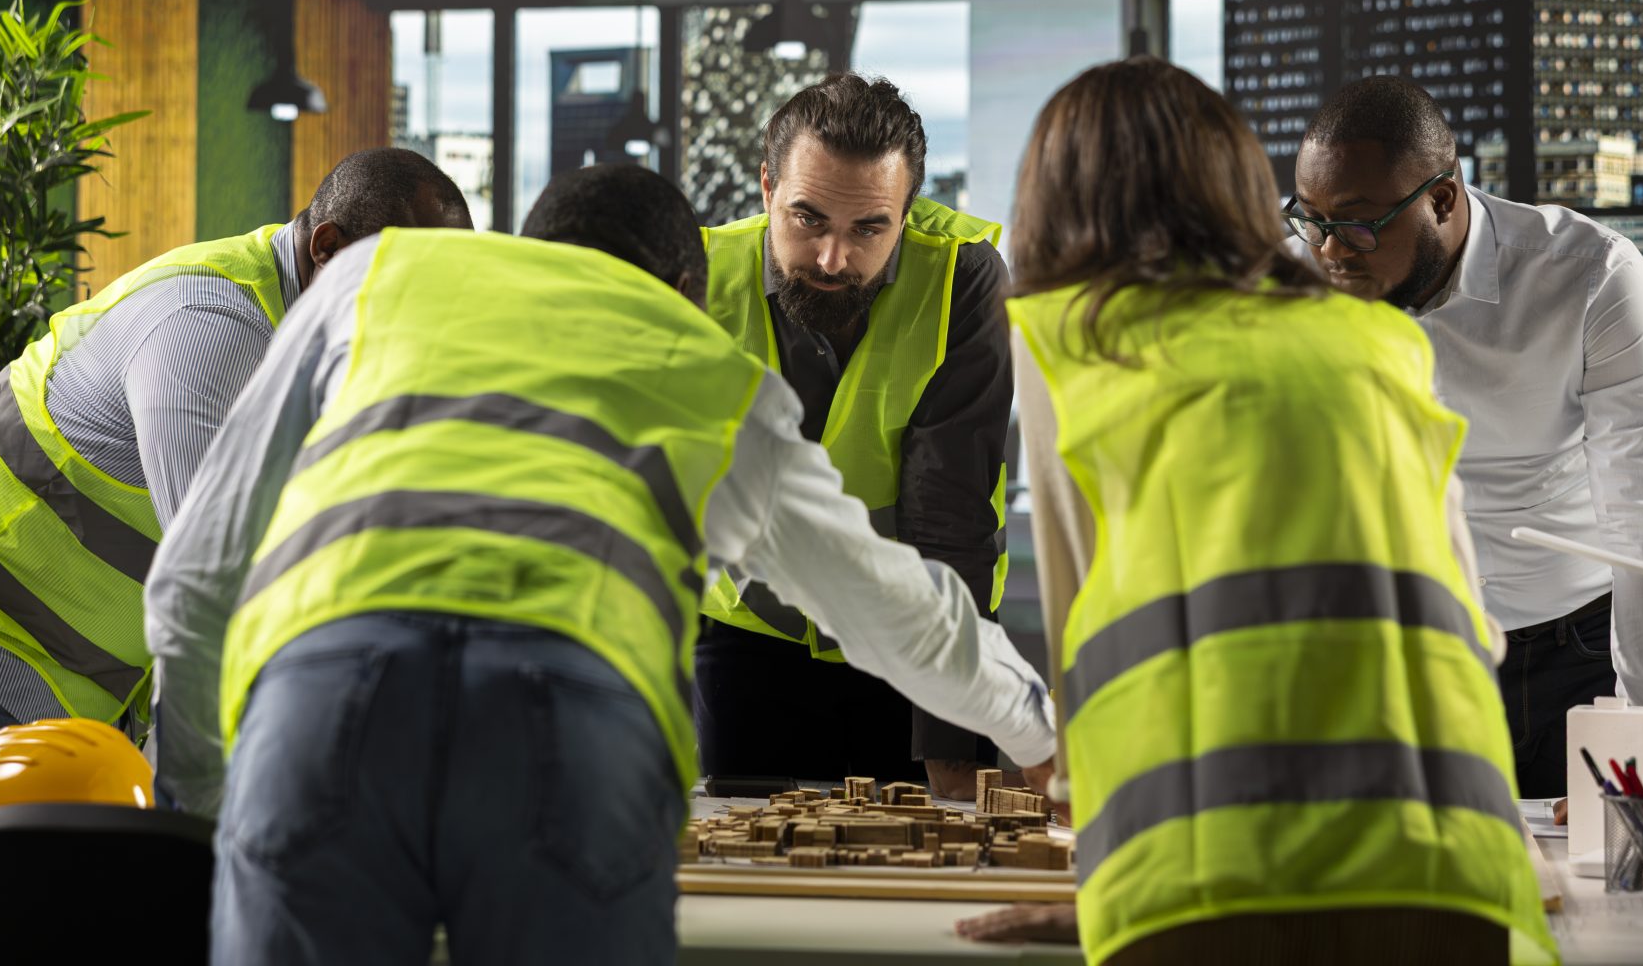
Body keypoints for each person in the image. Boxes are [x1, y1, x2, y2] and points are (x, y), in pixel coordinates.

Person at [143, 163, 1055, 966]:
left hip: (317, 705)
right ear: (686, 290)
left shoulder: (369, 279)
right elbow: (892, 609)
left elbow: (195, 581)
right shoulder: (706, 368)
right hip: (570, 722)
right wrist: (1039, 739)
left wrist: (204, 809)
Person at [962, 58, 1550, 965]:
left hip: (1208, 861)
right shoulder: (1378, 340)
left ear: (1055, 197)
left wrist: (1109, 874)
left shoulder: (1069, 339)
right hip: (1449, 856)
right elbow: (1473, 622)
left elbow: (1079, 618)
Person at [0, 147, 470, 852]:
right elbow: (230, 584)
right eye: (409, 287)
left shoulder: (317, 342)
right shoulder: (209, 328)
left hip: (72, 670)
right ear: (328, 248)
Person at [1287, 76, 1643, 797]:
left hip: (1578, 648)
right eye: (1310, 219)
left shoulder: (1591, 278)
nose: (1329, 251)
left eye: (1355, 223)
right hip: (1408, 644)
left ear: (1443, 199)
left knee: (1599, 881)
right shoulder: (1300, 277)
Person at [696, 73, 1011, 800]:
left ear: (909, 210)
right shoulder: (700, 279)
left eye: (870, 228)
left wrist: (951, 733)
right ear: (767, 187)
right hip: (751, 645)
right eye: (808, 220)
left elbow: (950, 513)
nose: (834, 259)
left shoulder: (963, 281)